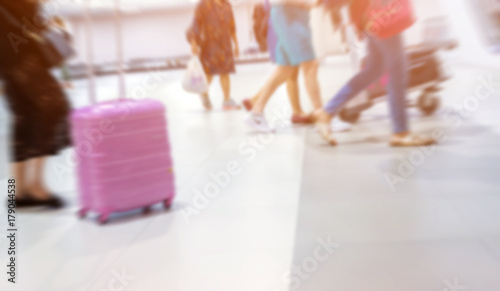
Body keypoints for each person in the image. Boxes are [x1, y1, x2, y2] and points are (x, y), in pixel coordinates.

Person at [314, 0, 436, 146]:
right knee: (397, 71)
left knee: (374, 70)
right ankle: (400, 132)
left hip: (371, 17)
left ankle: (327, 112)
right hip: (383, 15)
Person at [0, 0, 70, 208]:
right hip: (19, 51)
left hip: (8, 54)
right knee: (54, 105)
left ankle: (19, 191)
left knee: (24, 115)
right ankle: (35, 186)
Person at [244, 0, 323, 132]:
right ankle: (322, 117)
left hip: (291, 16)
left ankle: (256, 112)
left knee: (286, 68)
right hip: (289, 16)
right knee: (310, 66)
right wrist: (306, 3)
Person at [188, 0, 241, 111]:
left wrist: (236, 44)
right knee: (209, 74)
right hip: (209, 46)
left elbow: (232, 26)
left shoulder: (227, 5)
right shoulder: (203, 4)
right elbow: (195, 25)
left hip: (225, 46)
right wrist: (194, 44)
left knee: (225, 72)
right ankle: (204, 94)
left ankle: (227, 101)